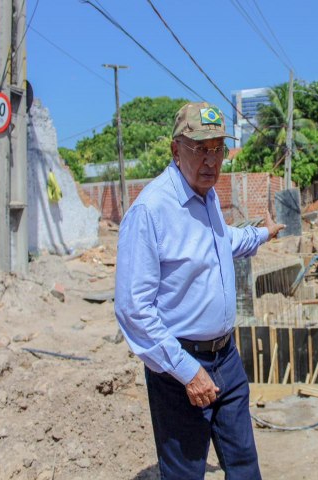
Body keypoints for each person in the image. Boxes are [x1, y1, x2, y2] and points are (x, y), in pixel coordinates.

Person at [114, 101, 285, 479]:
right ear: (176, 150)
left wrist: (264, 234)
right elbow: (132, 309)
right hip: (180, 369)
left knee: (244, 466)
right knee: (185, 473)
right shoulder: (151, 211)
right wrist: (188, 372)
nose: (212, 160)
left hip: (226, 358)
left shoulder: (207, 198)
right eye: (200, 149)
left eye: (218, 149)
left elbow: (224, 243)